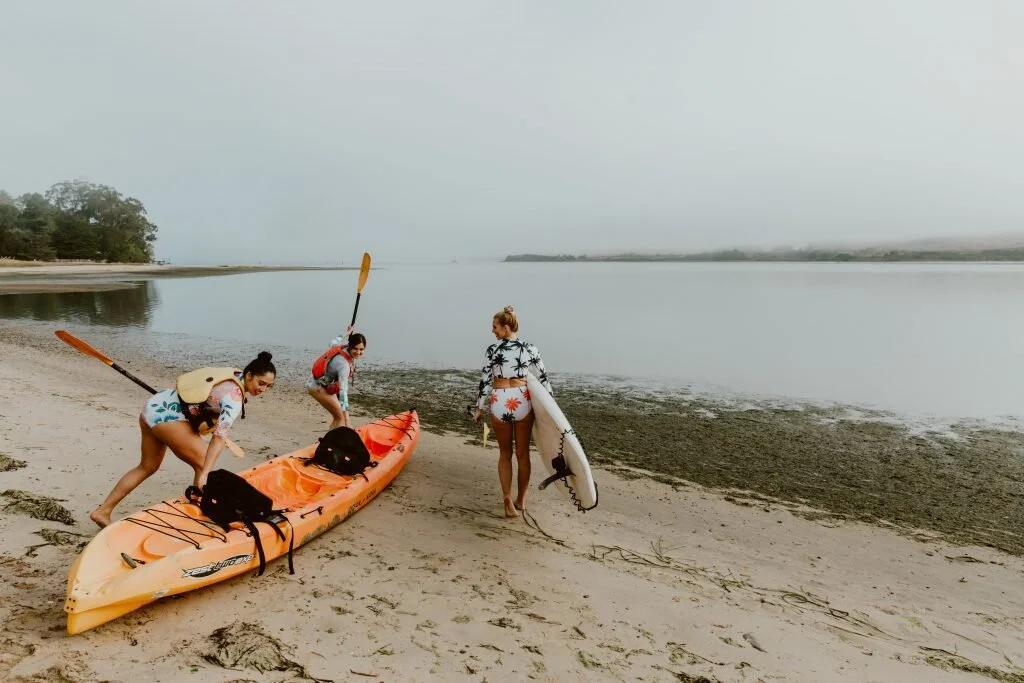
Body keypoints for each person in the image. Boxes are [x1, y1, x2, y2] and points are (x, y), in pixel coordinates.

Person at [89, 352, 276, 528]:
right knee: (204, 465)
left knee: (147, 466)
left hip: (154, 406)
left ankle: (102, 511)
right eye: (261, 383)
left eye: (268, 386)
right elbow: (218, 439)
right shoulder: (234, 399)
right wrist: (205, 473)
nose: (263, 390)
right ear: (249, 374)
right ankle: (197, 518)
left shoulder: (232, 373)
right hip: (169, 419)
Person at [472, 305, 551, 518]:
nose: (493, 331)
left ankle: (507, 496)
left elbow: (485, 380)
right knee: (523, 455)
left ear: (506, 327)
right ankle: (521, 500)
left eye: (495, 327)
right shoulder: (530, 348)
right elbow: (543, 379)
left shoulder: (492, 350)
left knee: (504, 454)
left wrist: (479, 408)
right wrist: (552, 410)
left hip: (500, 401)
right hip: (521, 401)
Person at [307, 324, 367, 431]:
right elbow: (343, 393)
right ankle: (329, 444)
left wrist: (347, 332)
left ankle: (329, 441)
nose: (358, 352)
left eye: (361, 349)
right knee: (341, 419)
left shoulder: (342, 348)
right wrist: (348, 421)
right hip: (318, 387)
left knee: (339, 417)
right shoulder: (344, 365)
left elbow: (332, 342)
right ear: (350, 346)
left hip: (315, 382)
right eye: (355, 349)